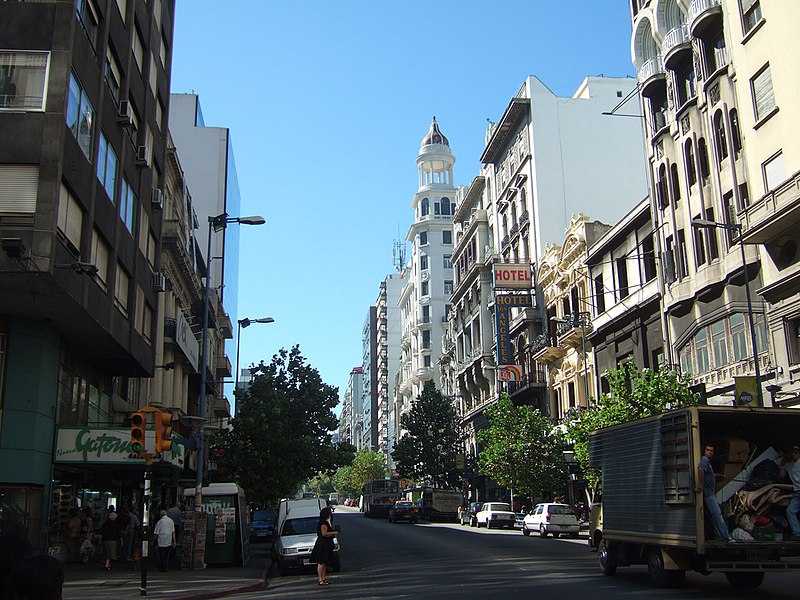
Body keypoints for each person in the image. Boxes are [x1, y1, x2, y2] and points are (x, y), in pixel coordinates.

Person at [698, 443, 734, 543]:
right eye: (708, 450)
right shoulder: (704, 459)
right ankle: (726, 537)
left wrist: (717, 475)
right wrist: (701, 484)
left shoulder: (708, 462)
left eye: (711, 451)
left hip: (711, 494)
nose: (710, 452)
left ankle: (719, 536)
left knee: (716, 515)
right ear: (704, 451)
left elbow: (708, 473)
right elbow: (700, 470)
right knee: (717, 514)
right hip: (709, 495)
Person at [310, 506, 338, 585]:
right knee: (321, 561)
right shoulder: (323, 523)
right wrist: (333, 533)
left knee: (325, 561)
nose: (331, 514)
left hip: (326, 544)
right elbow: (324, 534)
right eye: (330, 513)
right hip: (323, 544)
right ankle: (320, 579)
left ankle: (324, 578)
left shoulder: (326, 522)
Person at [779, 444, 800, 541]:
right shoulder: (790, 464)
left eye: (796, 452)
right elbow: (781, 465)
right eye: (793, 452)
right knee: (790, 511)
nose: (793, 454)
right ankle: (797, 533)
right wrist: (782, 469)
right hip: (797, 492)